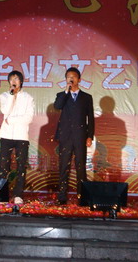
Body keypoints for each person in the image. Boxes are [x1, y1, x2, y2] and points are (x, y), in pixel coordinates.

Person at [54, 66, 95, 205]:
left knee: (80, 166)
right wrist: (66, 91)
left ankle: (82, 196)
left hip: (80, 136)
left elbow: (90, 118)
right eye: (68, 77)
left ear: (79, 79)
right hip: (65, 136)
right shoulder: (62, 95)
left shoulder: (86, 97)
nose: (71, 79)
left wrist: (90, 136)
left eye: (74, 77)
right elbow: (57, 106)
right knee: (63, 166)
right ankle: (62, 196)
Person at [0, 70, 35, 206]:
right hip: (6, 135)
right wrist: (11, 96)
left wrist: (11, 119)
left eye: (16, 79)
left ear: (21, 81)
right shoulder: (4, 96)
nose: (14, 81)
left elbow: (29, 118)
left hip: (22, 136)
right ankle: (2, 195)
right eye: (11, 79)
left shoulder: (28, 98)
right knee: (3, 166)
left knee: (21, 166)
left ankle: (18, 195)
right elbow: (5, 111)